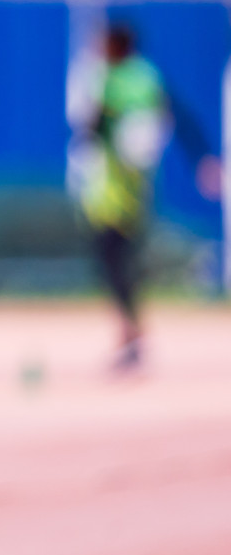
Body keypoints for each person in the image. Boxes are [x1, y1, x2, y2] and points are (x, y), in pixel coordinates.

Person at [72, 20, 218, 371]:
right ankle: (132, 332)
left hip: (110, 190)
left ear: (116, 46)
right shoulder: (150, 77)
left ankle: (130, 331)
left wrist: (86, 137)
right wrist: (203, 158)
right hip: (141, 186)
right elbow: (181, 117)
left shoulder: (110, 81)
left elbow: (91, 130)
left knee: (110, 260)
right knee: (127, 261)